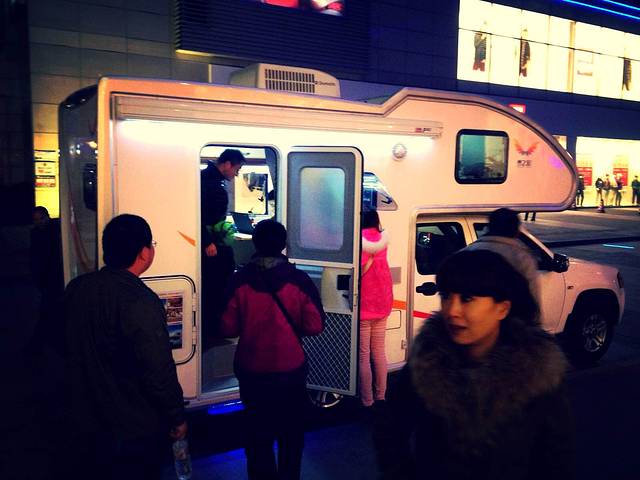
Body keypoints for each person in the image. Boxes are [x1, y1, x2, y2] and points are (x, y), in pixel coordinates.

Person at [373, 250, 574, 480]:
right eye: (446, 296)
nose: (452, 310)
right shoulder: (428, 360)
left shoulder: (537, 372)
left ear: (502, 308)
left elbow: (557, 457)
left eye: (467, 299)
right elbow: (390, 427)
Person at [63, 214, 186, 479]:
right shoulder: (141, 301)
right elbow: (157, 369)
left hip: (84, 418)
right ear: (144, 252)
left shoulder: (77, 288)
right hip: (133, 426)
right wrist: (176, 415)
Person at [220, 219, 325, 480]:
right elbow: (315, 326)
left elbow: (227, 327)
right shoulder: (299, 280)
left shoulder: (239, 281)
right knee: (291, 439)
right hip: (291, 372)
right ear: (283, 245)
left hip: (252, 372)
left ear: (255, 243)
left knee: (258, 441)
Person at [201, 148, 246, 346]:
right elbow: (199, 215)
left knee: (219, 284)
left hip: (215, 240)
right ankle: (213, 331)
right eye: (237, 169)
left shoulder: (210, 179)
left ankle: (215, 329)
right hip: (212, 245)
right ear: (227, 164)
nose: (236, 174)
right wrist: (207, 241)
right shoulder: (208, 182)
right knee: (216, 287)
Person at [465, 208, 539, 302]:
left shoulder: (467, 252)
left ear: (490, 227)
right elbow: (531, 298)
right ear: (516, 230)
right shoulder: (522, 258)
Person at [359, 210, 393, 408]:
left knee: (363, 356)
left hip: (364, 309)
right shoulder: (383, 242)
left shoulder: (359, 243)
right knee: (379, 352)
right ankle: (381, 396)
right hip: (382, 305)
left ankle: (367, 400)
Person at [28, 206, 64, 351]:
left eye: (41, 218)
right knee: (50, 310)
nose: (39, 222)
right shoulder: (45, 232)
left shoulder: (50, 232)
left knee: (47, 310)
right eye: (36, 220)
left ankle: (39, 344)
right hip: (48, 278)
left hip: (53, 277)